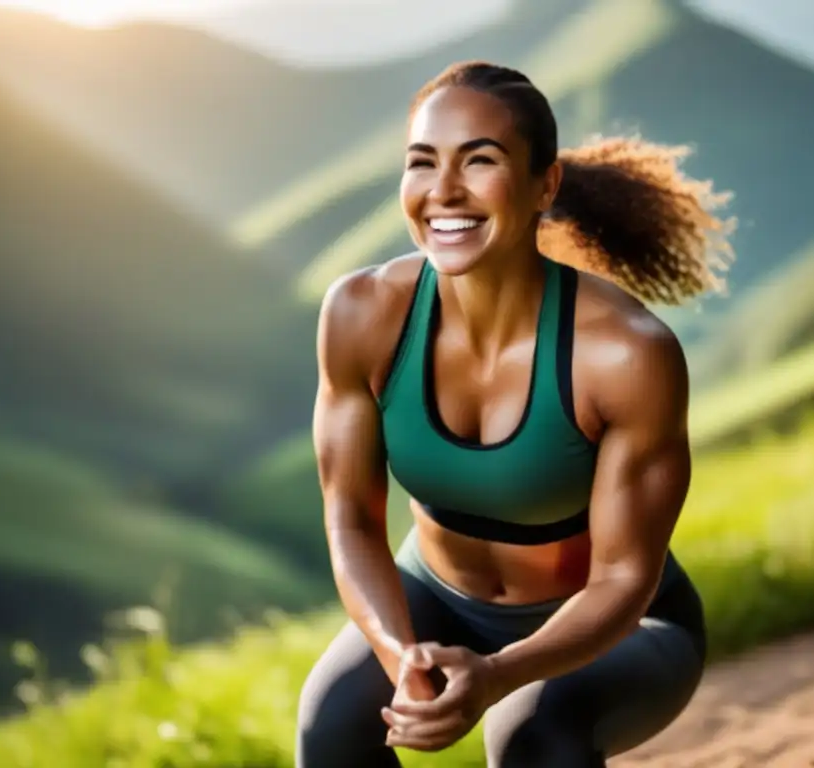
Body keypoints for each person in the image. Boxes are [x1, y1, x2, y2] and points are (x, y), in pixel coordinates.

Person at [296, 60, 734, 768]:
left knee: (531, 737)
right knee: (332, 731)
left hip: (622, 629)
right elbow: (349, 517)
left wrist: (498, 675)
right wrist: (400, 655)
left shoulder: (625, 354)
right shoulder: (361, 315)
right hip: (433, 602)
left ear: (545, 185)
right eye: (421, 163)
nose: (443, 191)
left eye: (480, 161)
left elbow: (624, 579)